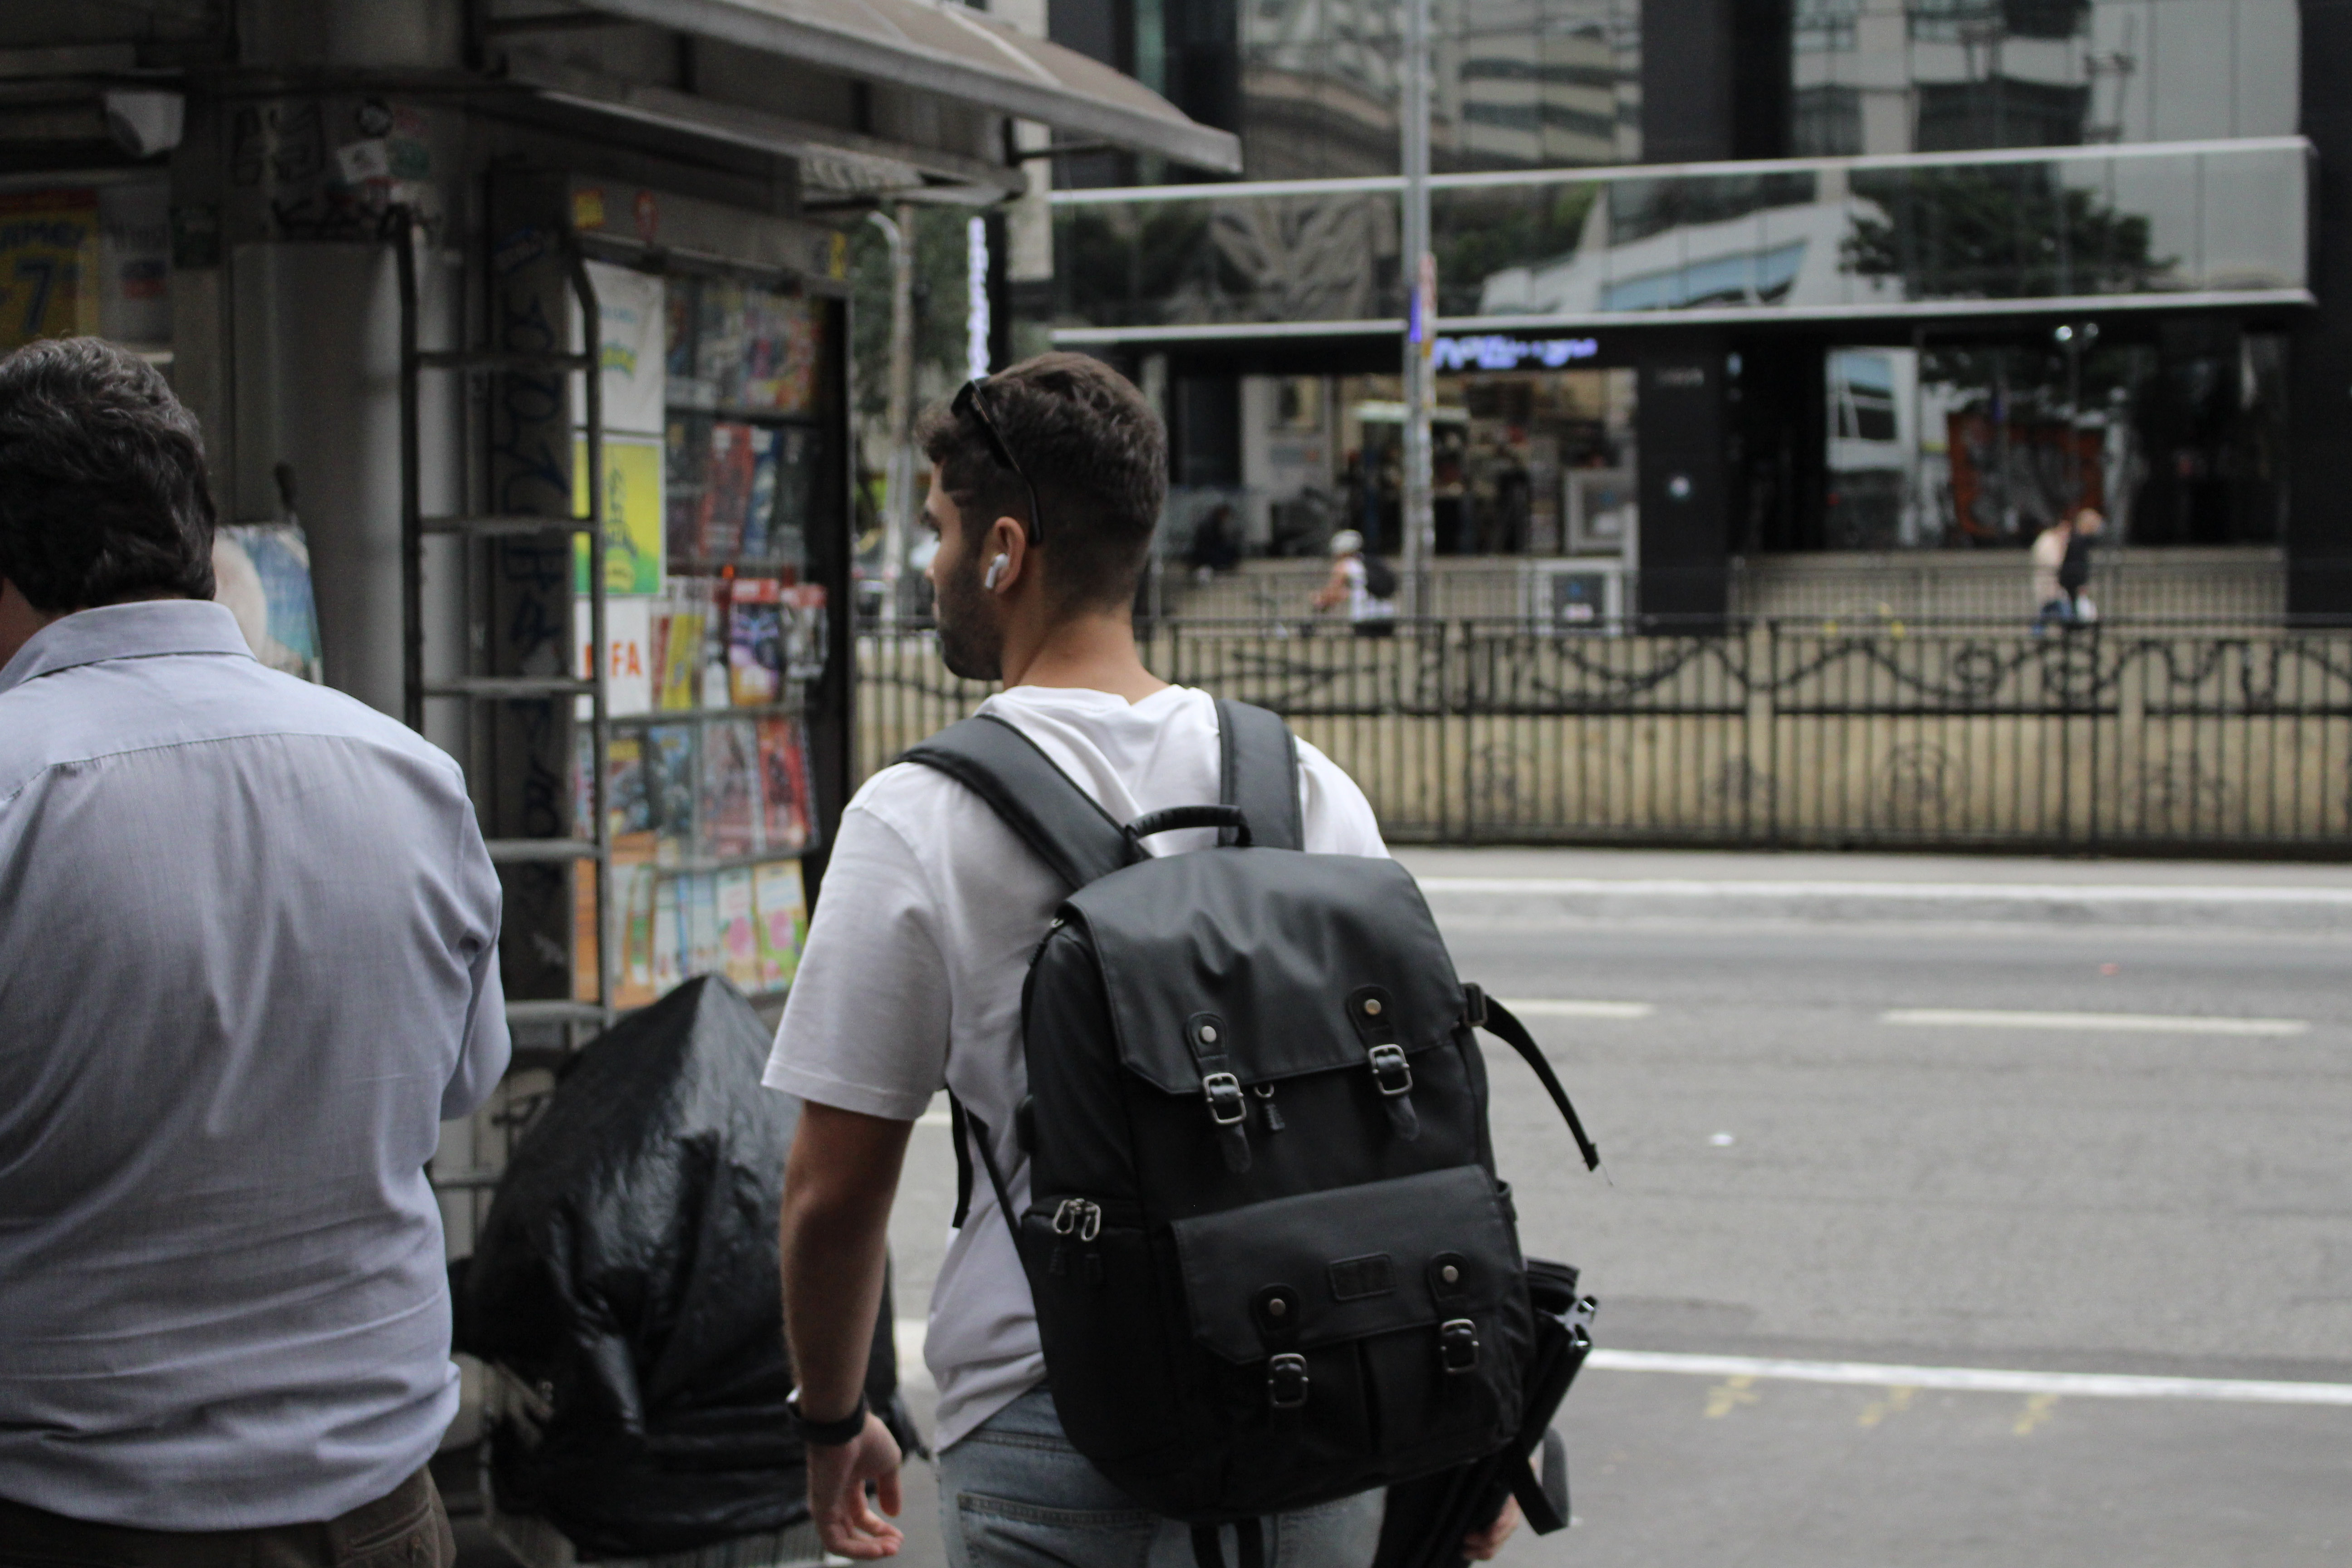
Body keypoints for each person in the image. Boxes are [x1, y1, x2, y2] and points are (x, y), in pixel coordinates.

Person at [765, 354, 1517, 1568]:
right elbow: (1419, 1122)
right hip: (1314, 1397)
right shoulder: (1305, 785)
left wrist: (833, 1416)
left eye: (939, 533)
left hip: (1057, 1418)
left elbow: (834, 1192)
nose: (933, 568)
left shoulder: (915, 819)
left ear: (1004, 549)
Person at [0, 339, 507, 1566]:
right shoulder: (408, 777)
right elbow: (457, 1084)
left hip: (78, 1515)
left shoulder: (17, 789)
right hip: (377, 1515)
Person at [1312, 527, 1399, 637]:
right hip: (1387, 617)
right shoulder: (1369, 562)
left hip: (1364, 618)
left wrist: (1319, 600)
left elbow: (1332, 594)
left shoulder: (1344, 566)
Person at [2029, 512, 2074, 630]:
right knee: (2062, 612)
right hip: (2050, 584)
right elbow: (2054, 564)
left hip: (2050, 586)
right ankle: (2066, 635)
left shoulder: (2049, 540)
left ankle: (2038, 634)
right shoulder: (2050, 542)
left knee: (2047, 613)